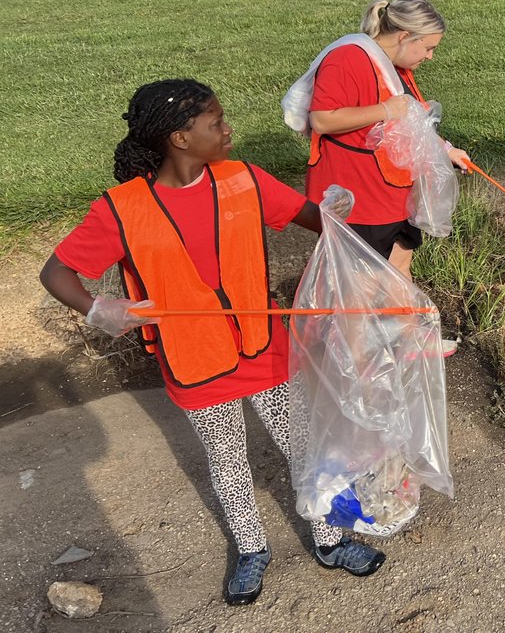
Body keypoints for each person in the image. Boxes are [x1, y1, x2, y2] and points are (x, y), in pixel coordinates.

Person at [39, 79, 386, 607]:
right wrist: (98, 309)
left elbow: (312, 219)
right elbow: (57, 271)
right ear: (180, 138)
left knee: (302, 446)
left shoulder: (245, 180)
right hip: (193, 358)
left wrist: (339, 214)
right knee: (227, 459)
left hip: (262, 346)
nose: (229, 130)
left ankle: (331, 540)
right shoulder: (120, 209)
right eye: (216, 122)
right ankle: (251, 549)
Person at [304, 0, 469, 355]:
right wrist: (384, 109)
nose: (430, 57)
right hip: (358, 192)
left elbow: (411, 122)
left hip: (393, 189)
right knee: (359, 280)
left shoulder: (396, 66)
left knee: (400, 260)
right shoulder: (347, 58)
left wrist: (445, 149)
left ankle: (410, 339)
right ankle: (354, 362)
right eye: (427, 47)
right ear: (405, 36)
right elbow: (322, 118)